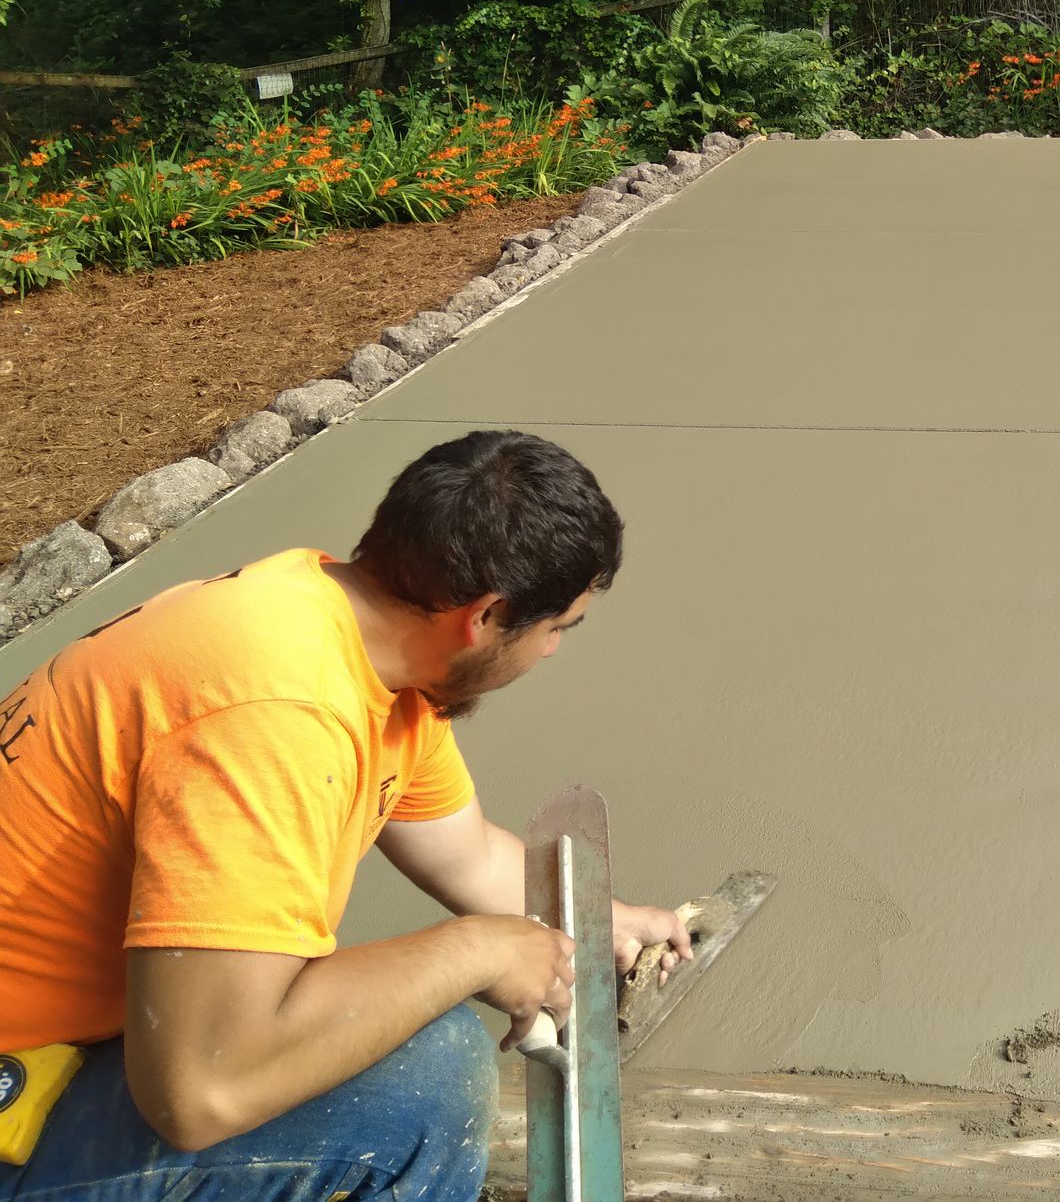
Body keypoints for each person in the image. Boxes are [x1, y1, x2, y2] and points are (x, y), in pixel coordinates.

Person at [0, 429, 691, 1200]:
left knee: (374, 1014)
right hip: (27, 1089)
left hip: (72, 1038)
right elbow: (202, 1091)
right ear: (487, 616)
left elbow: (465, 857)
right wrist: (477, 953)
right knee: (423, 1084)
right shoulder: (277, 715)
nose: (555, 650)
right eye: (558, 628)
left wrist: (607, 926)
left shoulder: (349, 642)